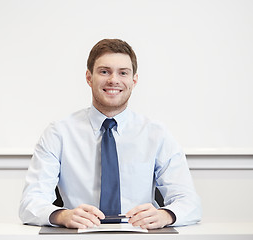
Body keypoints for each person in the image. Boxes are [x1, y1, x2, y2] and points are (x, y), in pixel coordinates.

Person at [19, 39, 202, 229]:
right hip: (80, 236)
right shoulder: (58, 133)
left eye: (123, 73)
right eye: (104, 71)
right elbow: (30, 203)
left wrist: (165, 215)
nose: (113, 80)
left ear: (134, 80)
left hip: (139, 236)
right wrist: (63, 216)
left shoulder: (156, 134)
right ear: (89, 78)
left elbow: (190, 203)